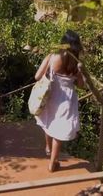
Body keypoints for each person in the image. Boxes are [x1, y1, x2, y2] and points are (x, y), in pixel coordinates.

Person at [35, 30, 85, 172]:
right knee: (60, 129)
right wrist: (79, 74)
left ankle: (48, 148)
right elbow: (81, 86)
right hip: (67, 99)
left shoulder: (52, 57)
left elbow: (37, 76)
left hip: (50, 95)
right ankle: (53, 162)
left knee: (49, 121)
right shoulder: (76, 63)